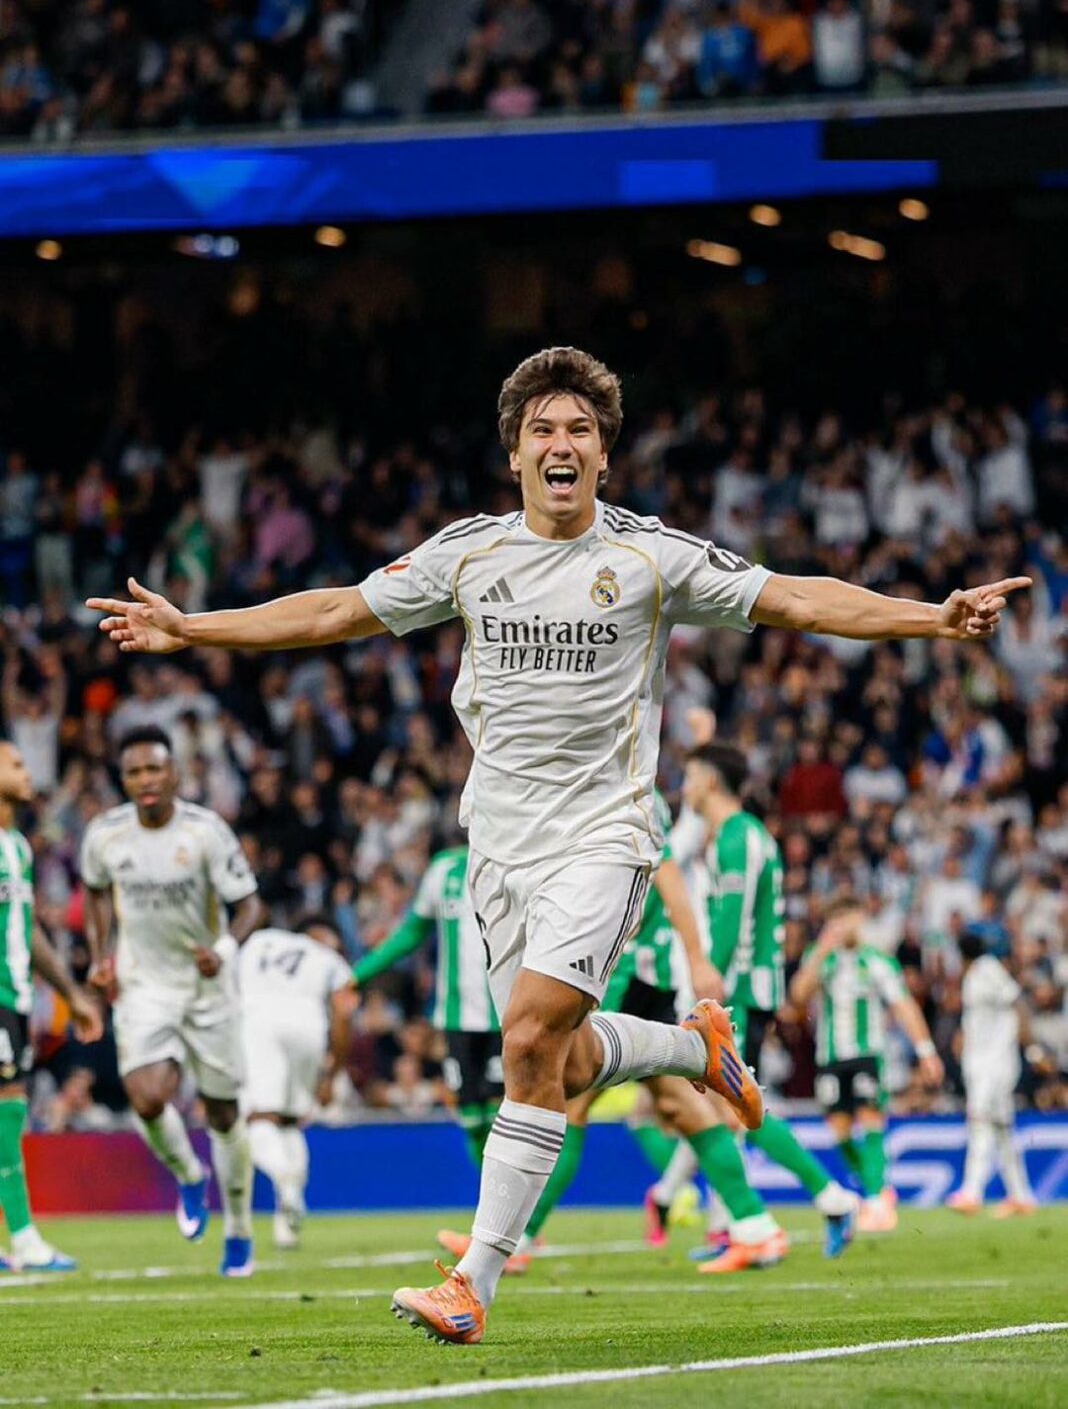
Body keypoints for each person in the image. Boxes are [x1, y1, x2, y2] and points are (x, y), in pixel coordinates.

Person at [87, 345, 1028, 1343]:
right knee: (563, 1065)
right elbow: (334, 610)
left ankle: (473, 1284)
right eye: (543, 429)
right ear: (516, 454)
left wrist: (931, 619)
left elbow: (796, 596)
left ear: (604, 456)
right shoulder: (469, 555)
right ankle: (692, 1045)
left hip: (604, 833)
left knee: (529, 1039)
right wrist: (196, 629)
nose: (561, 443)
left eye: (580, 429)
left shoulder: (650, 556)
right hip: (499, 846)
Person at [436, 796, 798, 1276]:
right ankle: (755, 1225)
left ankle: (517, 1236)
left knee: (567, 1093)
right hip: (634, 971)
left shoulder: (629, 790)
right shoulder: (606, 786)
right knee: (675, 1106)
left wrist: (697, 958)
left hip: (632, 973)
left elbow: (667, 876)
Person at [79, 725, 266, 1277]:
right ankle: (189, 1174)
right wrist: (101, 955)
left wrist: (223, 950)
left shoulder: (206, 832)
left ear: (174, 773)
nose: (145, 780)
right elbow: (95, 891)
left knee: (223, 1112)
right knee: (146, 1098)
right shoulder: (105, 836)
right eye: (134, 772)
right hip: (143, 986)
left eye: (154, 769)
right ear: (123, 779)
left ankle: (239, 1229)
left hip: (207, 988)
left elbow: (250, 905)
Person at [676, 742, 859, 1260]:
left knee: (737, 1109)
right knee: (726, 1110)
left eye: (690, 777)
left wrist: (708, 988)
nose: (685, 787)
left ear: (711, 781)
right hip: (745, 988)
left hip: (738, 991)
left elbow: (732, 922)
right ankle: (738, 1228)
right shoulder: (742, 835)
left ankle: (829, 1200)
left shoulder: (739, 837)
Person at [0, 740, 103, 1273]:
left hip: (15, 997)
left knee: (9, 1110)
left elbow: (29, 930)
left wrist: (71, 994)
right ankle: (24, 1238)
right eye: (15, 763)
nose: (26, 771)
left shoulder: (16, 847)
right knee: (8, 1109)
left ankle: (21, 1238)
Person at [789, 895, 944, 1232]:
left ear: (860, 919)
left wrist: (926, 1050)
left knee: (871, 1119)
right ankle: (879, 1190)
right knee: (840, 1132)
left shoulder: (876, 960)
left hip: (867, 1055)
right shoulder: (821, 958)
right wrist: (820, 954)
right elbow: (798, 996)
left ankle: (874, 1201)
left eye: (848, 916)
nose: (842, 924)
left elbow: (903, 1005)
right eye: (835, 918)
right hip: (830, 1057)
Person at [353, 845, 503, 1173]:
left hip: (506, 1015)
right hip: (456, 1016)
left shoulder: (518, 858)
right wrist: (358, 975)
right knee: (472, 1120)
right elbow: (412, 932)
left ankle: (520, 1206)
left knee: (502, 1117)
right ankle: (491, 1198)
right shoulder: (444, 869)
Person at [238, 913, 354, 1248]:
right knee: (289, 1122)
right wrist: (333, 1073)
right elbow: (343, 1014)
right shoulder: (330, 959)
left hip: (259, 1022)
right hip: (309, 1025)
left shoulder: (259, 941)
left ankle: (283, 1176)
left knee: (260, 1118)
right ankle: (286, 1227)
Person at [946, 932, 1036, 1217]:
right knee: (1001, 1128)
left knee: (980, 1120)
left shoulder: (986, 968)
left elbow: (1017, 1002)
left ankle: (971, 1192)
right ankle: (1021, 1196)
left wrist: (1032, 1049)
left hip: (994, 1063)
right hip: (983, 1061)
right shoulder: (976, 974)